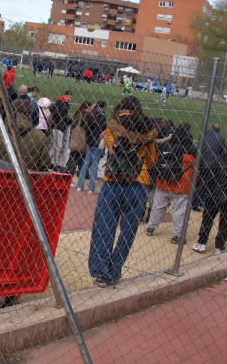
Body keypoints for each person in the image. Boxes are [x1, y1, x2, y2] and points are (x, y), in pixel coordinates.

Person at [88, 96, 158, 288]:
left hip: (113, 181)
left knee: (104, 228)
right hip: (138, 184)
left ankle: (101, 271)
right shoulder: (148, 130)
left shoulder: (114, 125)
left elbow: (110, 149)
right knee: (127, 233)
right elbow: (151, 160)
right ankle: (114, 271)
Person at [193, 140, 227, 255]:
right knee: (226, 222)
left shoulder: (219, 159)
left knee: (207, 219)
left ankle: (201, 243)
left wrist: (206, 189)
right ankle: (219, 246)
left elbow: (210, 176)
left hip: (214, 194)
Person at [146, 126, 196, 244]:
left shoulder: (165, 147)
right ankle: (178, 235)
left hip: (163, 182)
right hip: (181, 187)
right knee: (179, 212)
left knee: (157, 207)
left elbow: (156, 161)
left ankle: (150, 227)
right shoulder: (191, 152)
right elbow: (196, 171)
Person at [0, 98, 51, 171]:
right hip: (28, 177)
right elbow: (44, 165)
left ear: (11, 110)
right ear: (29, 113)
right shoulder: (40, 136)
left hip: (0, 176)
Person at [194, 123, 225, 210]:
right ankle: (195, 204)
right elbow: (222, 151)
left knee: (197, 182)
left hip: (200, 161)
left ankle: (193, 203)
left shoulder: (203, 134)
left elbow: (198, 147)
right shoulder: (221, 138)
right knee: (204, 185)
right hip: (211, 164)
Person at [49, 91, 74, 172]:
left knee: (55, 146)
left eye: (70, 97)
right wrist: (60, 117)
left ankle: (47, 161)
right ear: (64, 96)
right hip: (57, 127)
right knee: (58, 146)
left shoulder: (64, 103)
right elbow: (53, 109)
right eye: (67, 96)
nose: (68, 98)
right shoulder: (60, 102)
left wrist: (63, 118)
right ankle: (54, 163)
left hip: (59, 126)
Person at [68, 101, 91, 178]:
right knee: (79, 157)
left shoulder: (77, 114)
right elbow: (85, 126)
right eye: (89, 108)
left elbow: (72, 127)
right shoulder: (84, 116)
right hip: (80, 139)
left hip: (74, 138)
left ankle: (70, 170)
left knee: (73, 156)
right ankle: (79, 172)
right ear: (85, 108)